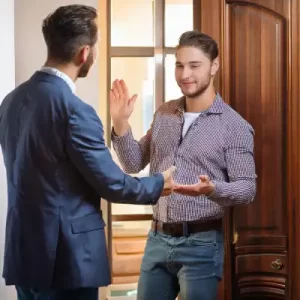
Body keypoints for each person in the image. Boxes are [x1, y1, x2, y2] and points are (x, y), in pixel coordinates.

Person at [0, 5, 175, 300]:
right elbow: (112, 183)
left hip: (24, 254)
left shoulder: (10, 101)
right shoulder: (74, 110)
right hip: (67, 260)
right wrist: (160, 183)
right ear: (84, 53)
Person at [110, 30, 257, 300]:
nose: (185, 74)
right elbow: (133, 163)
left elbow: (247, 188)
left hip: (201, 244)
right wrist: (120, 123)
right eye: (179, 65)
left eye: (194, 65)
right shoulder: (165, 113)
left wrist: (212, 189)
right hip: (156, 238)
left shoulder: (234, 126)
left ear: (214, 66)